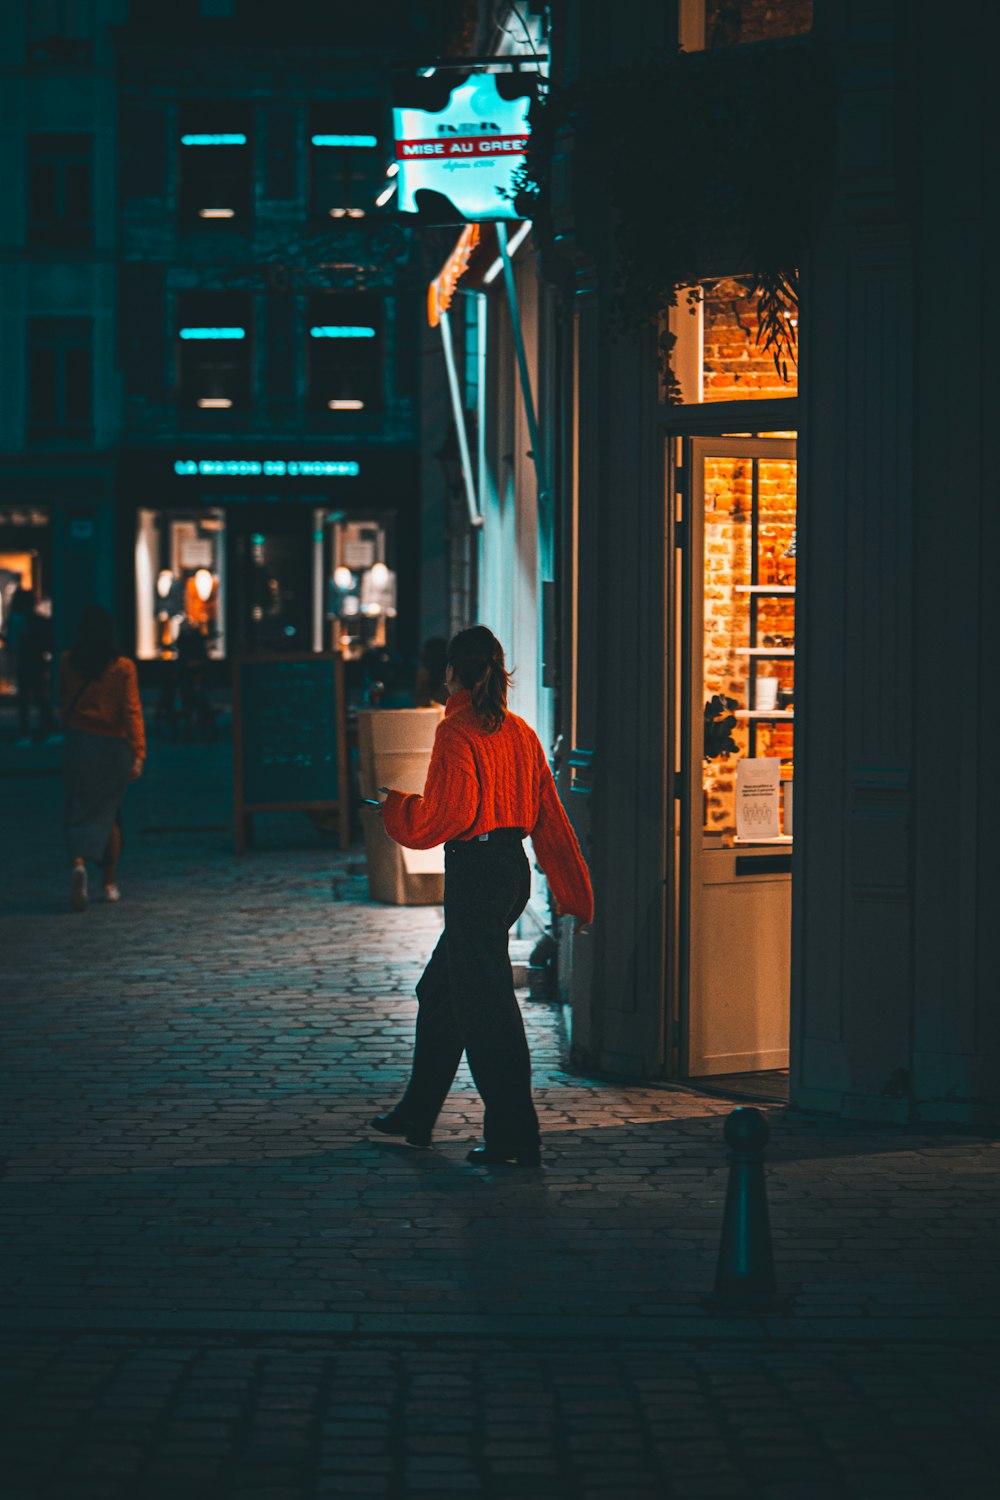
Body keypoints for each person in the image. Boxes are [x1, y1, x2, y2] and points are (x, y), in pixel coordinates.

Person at [371, 625, 593, 1167]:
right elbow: (550, 818)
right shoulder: (518, 731)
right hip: (510, 873)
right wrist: (573, 892)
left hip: (475, 876)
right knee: (440, 993)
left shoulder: (458, 732)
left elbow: (447, 816)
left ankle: (515, 1137)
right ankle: (416, 1116)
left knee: (487, 1012)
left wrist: (395, 808)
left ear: (453, 673)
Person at [59, 605, 146, 911]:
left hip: (80, 743)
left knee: (77, 808)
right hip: (113, 747)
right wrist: (138, 752)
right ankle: (109, 884)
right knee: (111, 816)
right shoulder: (122, 667)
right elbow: (131, 710)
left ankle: (79, 863)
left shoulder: (68, 662)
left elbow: (61, 699)